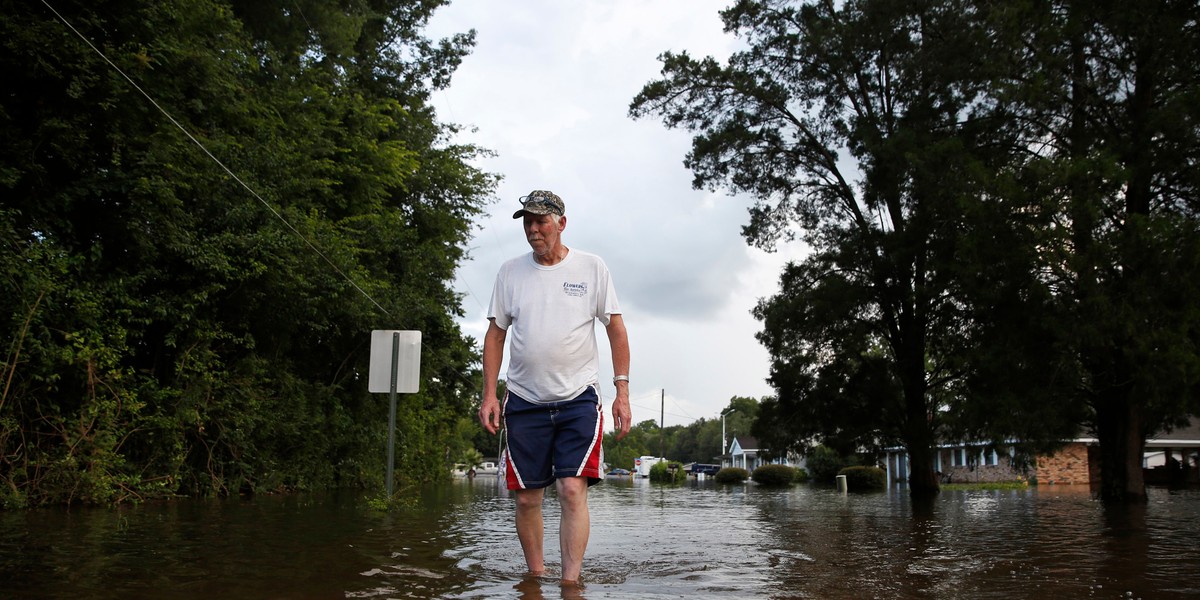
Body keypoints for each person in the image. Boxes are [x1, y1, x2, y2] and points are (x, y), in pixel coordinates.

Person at [478, 189, 632, 587]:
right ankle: (535, 579)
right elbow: (495, 335)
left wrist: (623, 392)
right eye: (527, 221)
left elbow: (615, 329)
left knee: (569, 488)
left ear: (561, 223)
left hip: (578, 398)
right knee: (528, 497)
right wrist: (490, 394)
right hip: (524, 400)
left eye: (541, 221)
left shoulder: (592, 268)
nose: (533, 229)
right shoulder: (510, 272)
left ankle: (570, 584)